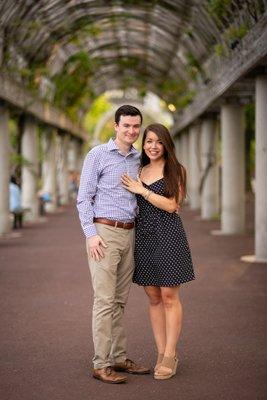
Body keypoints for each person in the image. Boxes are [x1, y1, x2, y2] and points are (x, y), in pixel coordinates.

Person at [77, 105, 150, 384]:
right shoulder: (97, 155)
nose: (132, 131)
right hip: (104, 234)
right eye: (126, 126)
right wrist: (90, 234)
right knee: (104, 301)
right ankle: (101, 363)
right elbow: (84, 198)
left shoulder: (137, 159)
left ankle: (118, 357)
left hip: (130, 233)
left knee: (120, 301)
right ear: (115, 126)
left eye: (136, 127)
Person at [121, 123, 195, 380]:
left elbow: (173, 204)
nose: (153, 146)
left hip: (169, 236)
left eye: (158, 141)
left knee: (169, 297)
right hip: (143, 237)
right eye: (148, 141)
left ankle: (170, 354)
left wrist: (142, 190)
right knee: (153, 297)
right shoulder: (137, 169)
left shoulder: (176, 170)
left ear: (166, 144)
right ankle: (160, 351)